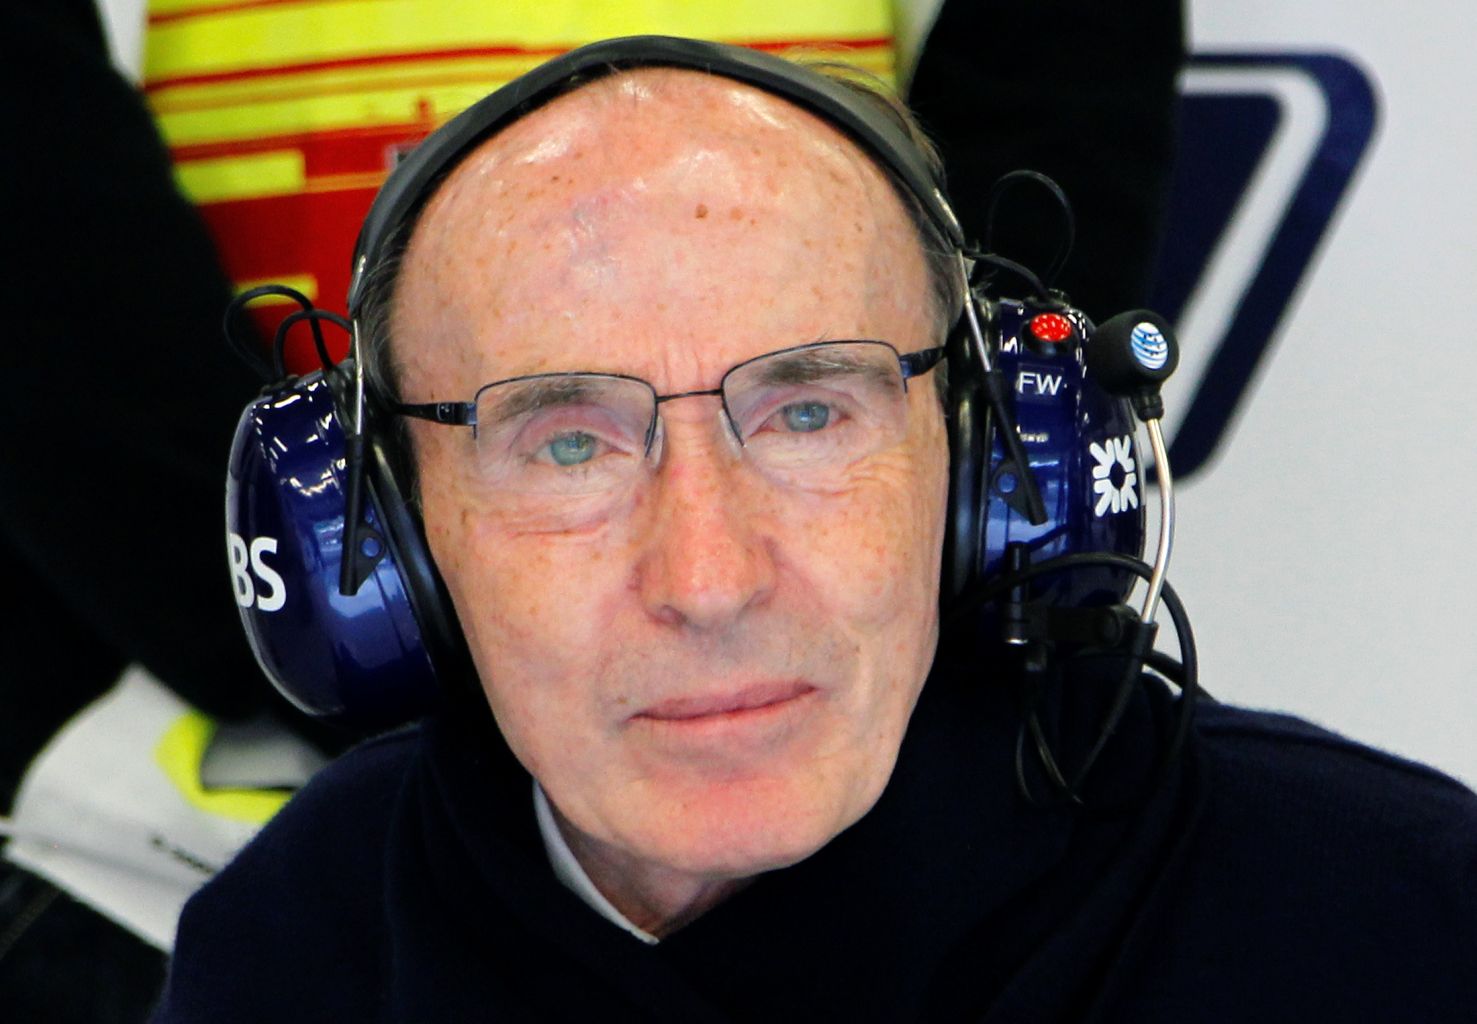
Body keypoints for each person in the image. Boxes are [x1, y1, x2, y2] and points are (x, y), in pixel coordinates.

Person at [152, 38, 1477, 1022]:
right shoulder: (292, 942)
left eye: (806, 416)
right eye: (567, 444)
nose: (709, 579)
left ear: (988, 461)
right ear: (387, 532)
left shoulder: (1394, 920)